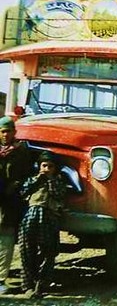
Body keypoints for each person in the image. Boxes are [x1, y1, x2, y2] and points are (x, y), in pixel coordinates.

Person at [18, 151, 67, 298]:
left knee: (49, 252)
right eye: (44, 165)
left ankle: (42, 285)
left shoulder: (58, 182)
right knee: (27, 251)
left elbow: (58, 194)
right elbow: (23, 192)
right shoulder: (33, 180)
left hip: (49, 218)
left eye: (50, 166)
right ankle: (28, 285)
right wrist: (38, 179)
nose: (46, 169)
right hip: (31, 217)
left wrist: (50, 180)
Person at [0, 116, 32, 294]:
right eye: (3, 131)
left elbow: (26, 173)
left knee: (6, 240)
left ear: (14, 132)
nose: (6, 135)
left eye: (8, 131)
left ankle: (1, 279)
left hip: (10, 203)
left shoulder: (21, 152)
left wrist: (16, 185)